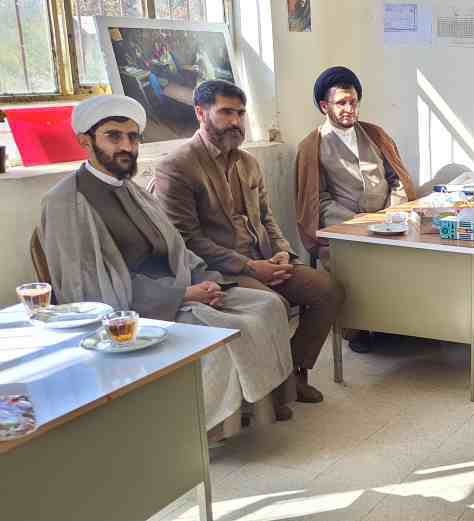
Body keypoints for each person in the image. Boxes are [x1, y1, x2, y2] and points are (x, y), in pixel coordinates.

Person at [38, 95, 296, 428]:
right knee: (228, 330)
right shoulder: (65, 202)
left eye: (133, 137)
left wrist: (205, 280)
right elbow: (85, 287)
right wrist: (182, 295)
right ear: (84, 141)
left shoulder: (132, 190)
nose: (126, 146)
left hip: (182, 286)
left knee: (267, 305)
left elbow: (176, 248)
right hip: (134, 308)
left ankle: (256, 403)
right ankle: (209, 427)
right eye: (113, 136)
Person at [152, 80, 344, 404]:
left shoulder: (247, 162)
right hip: (219, 270)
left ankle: (293, 372)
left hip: (265, 259)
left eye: (240, 113)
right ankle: (271, 390)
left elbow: (267, 218)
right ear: (200, 113)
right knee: (274, 305)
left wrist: (283, 252)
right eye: (226, 112)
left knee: (329, 290)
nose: (236, 121)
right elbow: (188, 240)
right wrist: (251, 267)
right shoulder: (177, 167)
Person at [294, 66, 416, 353]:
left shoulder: (375, 134)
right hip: (343, 230)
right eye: (341, 103)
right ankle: (357, 328)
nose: (349, 109)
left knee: (414, 256)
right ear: (324, 106)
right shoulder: (311, 146)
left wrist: (392, 214)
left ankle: (401, 325)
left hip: (390, 221)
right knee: (356, 266)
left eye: (353, 102)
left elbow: (397, 179)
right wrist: (361, 224)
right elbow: (317, 200)